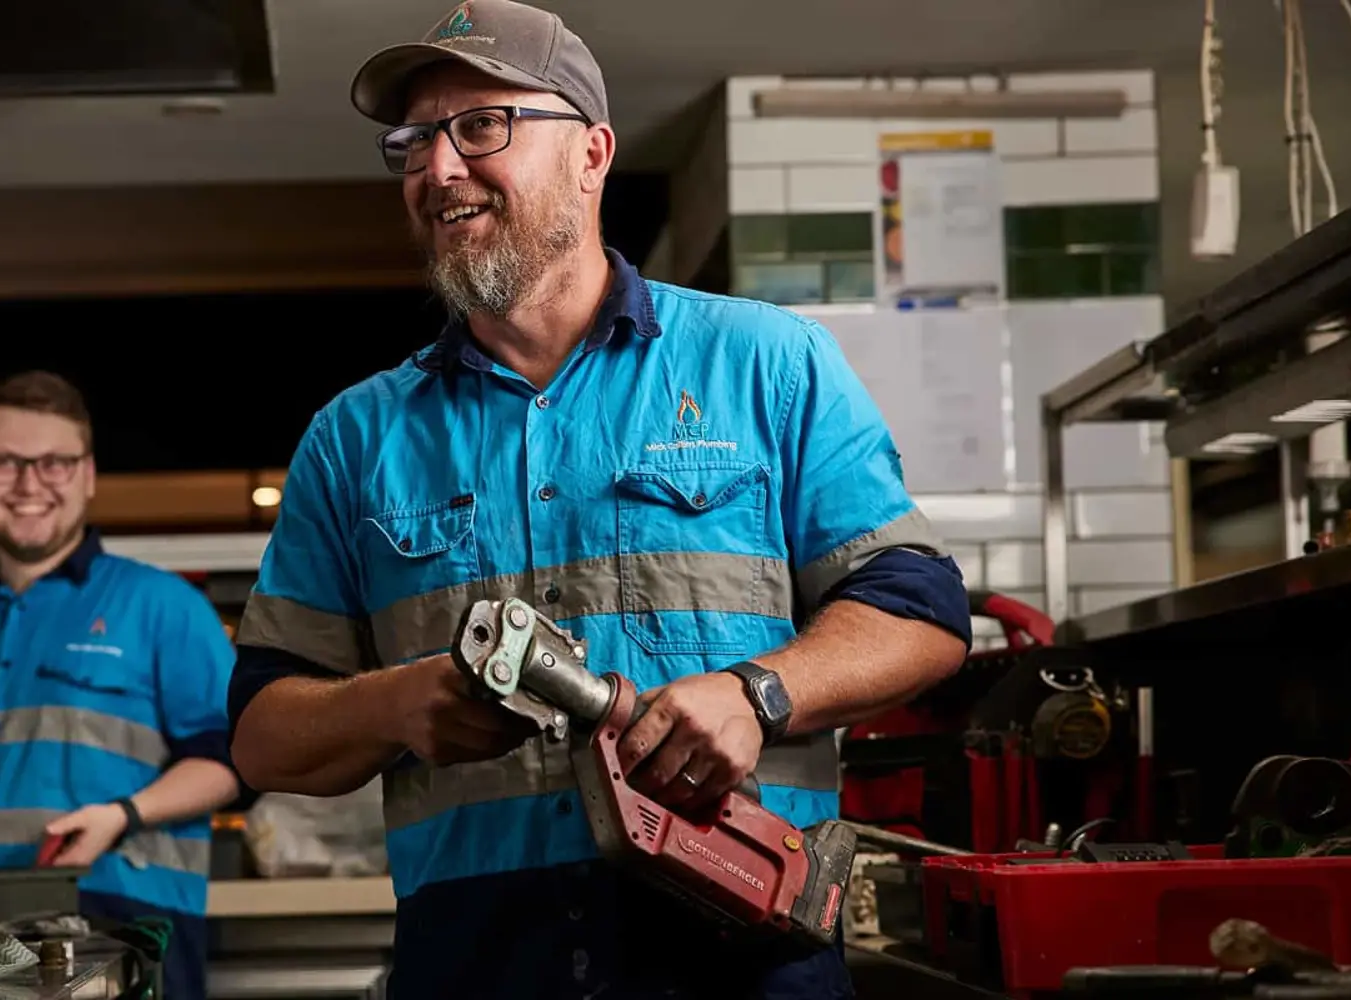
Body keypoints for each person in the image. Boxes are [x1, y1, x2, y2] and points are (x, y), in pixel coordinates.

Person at [226, 3, 973, 998]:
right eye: (411, 142)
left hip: (743, 950)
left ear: (590, 152)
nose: (435, 168)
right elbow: (262, 736)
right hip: (480, 966)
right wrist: (395, 703)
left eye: (480, 126)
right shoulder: (354, 437)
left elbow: (920, 614)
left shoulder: (765, 363)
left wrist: (756, 693)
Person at [0, 370, 241, 1000]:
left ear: (88, 475)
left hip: (127, 930)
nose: (29, 483)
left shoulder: (162, 606)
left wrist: (122, 815)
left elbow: (233, 762)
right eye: (5, 462)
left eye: (54, 463)